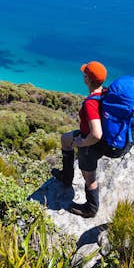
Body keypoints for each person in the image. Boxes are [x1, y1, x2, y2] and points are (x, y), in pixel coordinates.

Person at [51, 60, 108, 218]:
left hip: (90, 143)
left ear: (88, 79)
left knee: (89, 179)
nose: (83, 77)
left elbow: (96, 134)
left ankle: (90, 209)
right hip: (86, 135)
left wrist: (82, 143)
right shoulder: (105, 93)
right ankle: (66, 177)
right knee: (65, 139)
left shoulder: (91, 104)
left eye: (85, 74)